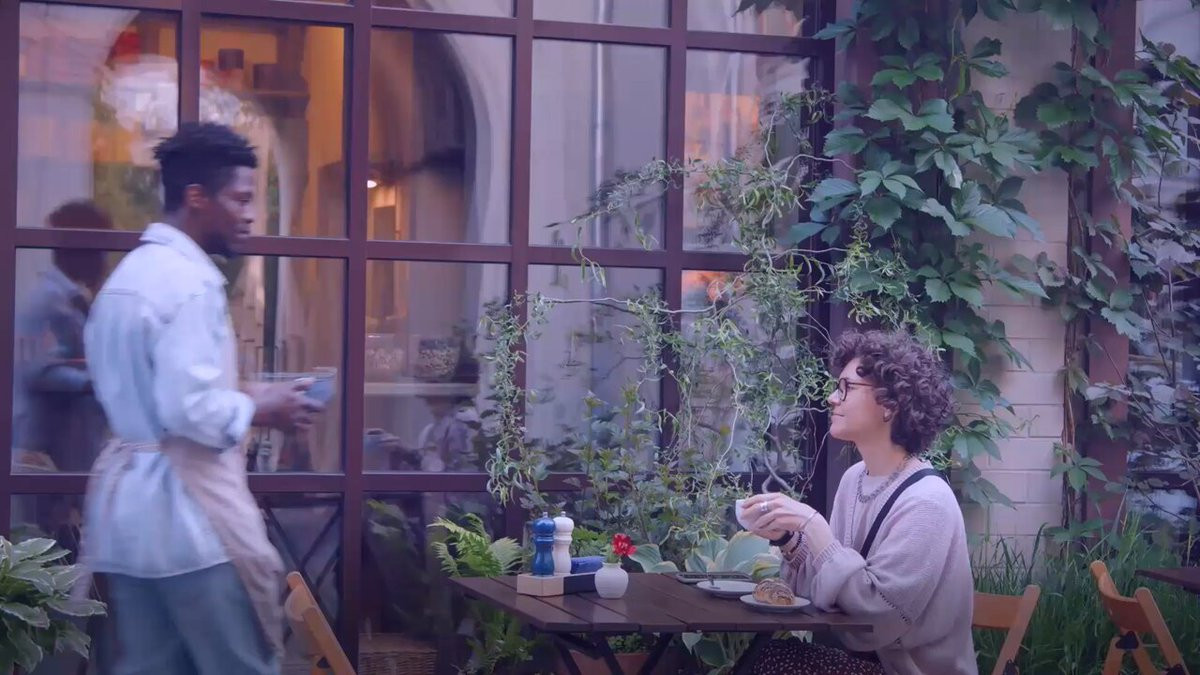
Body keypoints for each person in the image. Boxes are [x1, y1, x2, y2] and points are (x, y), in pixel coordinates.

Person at [79, 122, 322, 674]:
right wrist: (264, 408)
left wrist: (248, 394)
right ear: (196, 197)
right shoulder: (190, 283)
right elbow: (190, 411)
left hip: (128, 528)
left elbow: (153, 395)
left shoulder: (125, 280)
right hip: (195, 527)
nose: (251, 214)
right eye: (240, 198)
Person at [741, 330, 976, 675]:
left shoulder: (928, 501)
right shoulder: (854, 480)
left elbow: (877, 616)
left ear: (890, 405)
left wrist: (813, 525)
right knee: (765, 657)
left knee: (774, 660)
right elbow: (831, 592)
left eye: (846, 387)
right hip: (860, 665)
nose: (832, 398)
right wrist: (788, 539)